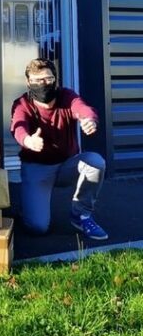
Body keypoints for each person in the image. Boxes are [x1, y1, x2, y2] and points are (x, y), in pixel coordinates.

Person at [10, 57, 107, 240]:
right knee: (37, 227)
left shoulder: (66, 96)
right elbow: (18, 126)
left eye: (48, 79)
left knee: (95, 162)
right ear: (28, 82)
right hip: (37, 169)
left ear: (55, 79)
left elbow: (83, 108)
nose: (43, 84)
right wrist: (28, 140)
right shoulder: (22, 104)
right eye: (37, 80)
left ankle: (81, 215)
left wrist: (89, 120)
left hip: (66, 166)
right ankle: (28, 207)